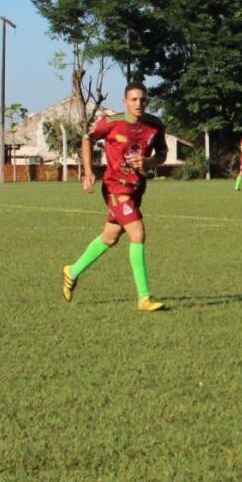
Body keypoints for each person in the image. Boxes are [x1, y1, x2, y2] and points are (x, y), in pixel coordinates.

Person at [62, 82, 168, 312]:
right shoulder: (112, 122)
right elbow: (87, 138)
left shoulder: (155, 125)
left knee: (110, 237)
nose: (138, 103)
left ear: (147, 101)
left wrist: (149, 161)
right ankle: (144, 297)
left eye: (142, 99)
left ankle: (72, 271)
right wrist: (88, 171)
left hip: (136, 188)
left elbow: (162, 153)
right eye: (133, 99)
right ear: (124, 102)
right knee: (137, 233)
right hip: (115, 188)